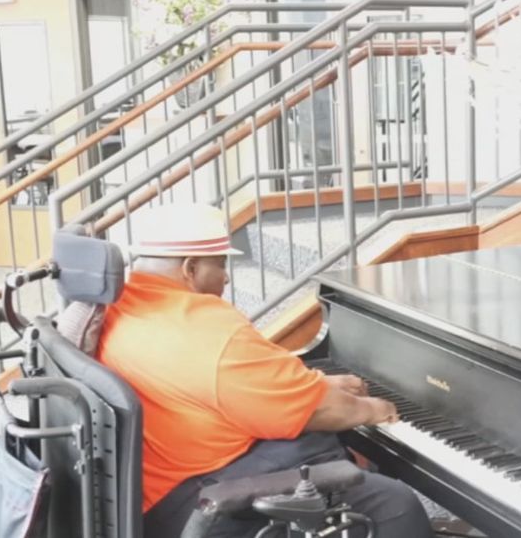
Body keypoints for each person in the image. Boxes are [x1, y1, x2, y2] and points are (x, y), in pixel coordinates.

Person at [98, 203, 433, 537]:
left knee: (331, 456)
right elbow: (319, 409)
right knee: (395, 504)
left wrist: (315, 382)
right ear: (190, 268)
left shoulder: (120, 306)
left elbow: (237, 385)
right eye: (220, 263)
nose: (226, 276)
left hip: (149, 501)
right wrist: (378, 409)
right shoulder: (207, 330)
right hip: (201, 508)